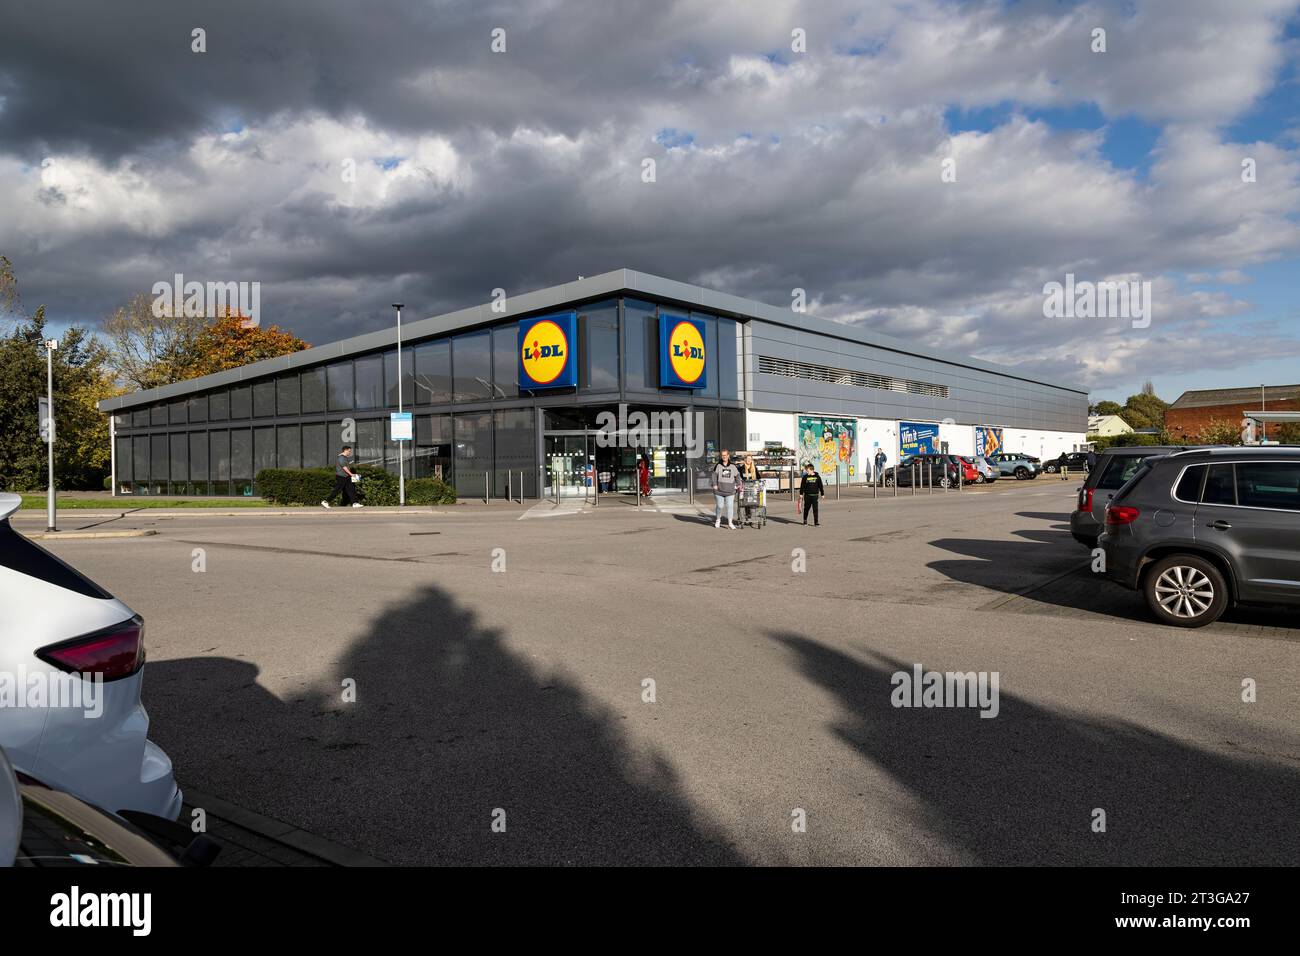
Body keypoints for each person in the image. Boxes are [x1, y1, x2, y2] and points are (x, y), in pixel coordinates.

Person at [711, 449, 741, 529]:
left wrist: (739, 484)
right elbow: (714, 475)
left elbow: (737, 476)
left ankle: (730, 523)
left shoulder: (733, 466)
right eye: (722, 455)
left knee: (730, 506)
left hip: (730, 491)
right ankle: (718, 520)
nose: (724, 457)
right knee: (720, 506)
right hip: (719, 491)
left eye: (725, 455)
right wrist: (714, 484)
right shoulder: (718, 465)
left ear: (728, 456)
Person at [798, 462, 825, 526]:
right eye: (806, 471)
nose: (807, 472)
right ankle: (805, 520)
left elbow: (820, 485)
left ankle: (816, 522)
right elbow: (802, 486)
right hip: (807, 495)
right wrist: (801, 494)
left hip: (815, 496)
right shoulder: (805, 477)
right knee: (806, 508)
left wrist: (822, 494)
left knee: (815, 509)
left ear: (812, 470)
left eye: (808, 471)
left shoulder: (817, 477)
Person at [739, 453, 759, 526]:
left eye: (750, 459)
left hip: (752, 489)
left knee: (752, 504)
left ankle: (753, 519)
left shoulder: (754, 468)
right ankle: (743, 519)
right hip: (744, 489)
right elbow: (738, 477)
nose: (749, 460)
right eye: (747, 459)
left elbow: (758, 478)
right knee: (743, 504)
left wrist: (758, 484)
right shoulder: (741, 468)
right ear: (745, 460)